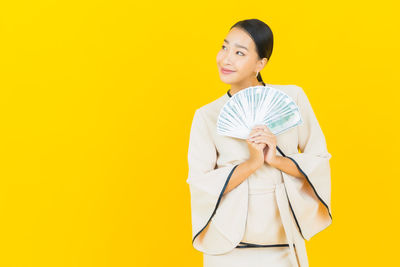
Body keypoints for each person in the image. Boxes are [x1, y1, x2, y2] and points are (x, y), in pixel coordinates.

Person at [186, 19, 332, 267]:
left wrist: (275, 160)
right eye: (224, 48)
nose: (226, 59)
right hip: (227, 248)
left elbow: (319, 162)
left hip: (284, 243)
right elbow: (200, 184)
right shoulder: (206, 115)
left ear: (260, 63)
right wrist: (253, 163)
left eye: (239, 53)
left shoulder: (293, 97)